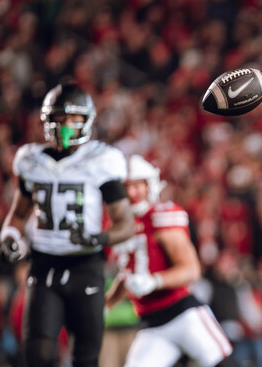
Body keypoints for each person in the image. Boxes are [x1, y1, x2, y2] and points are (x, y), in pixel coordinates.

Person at [0, 82, 135, 367]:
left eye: (74, 119)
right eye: (59, 119)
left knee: (85, 358)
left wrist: (96, 238)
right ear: (47, 121)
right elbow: (19, 212)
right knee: (38, 355)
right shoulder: (31, 160)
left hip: (85, 266)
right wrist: (9, 234)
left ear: (87, 121)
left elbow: (126, 224)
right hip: (44, 264)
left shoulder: (101, 160)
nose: (66, 126)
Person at [105, 155, 232, 367]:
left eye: (137, 185)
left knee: (222, 364)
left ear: (149, 185)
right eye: (126, 186)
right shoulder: (121, 226)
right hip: (150, 323)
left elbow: (191, 270)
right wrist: (106, 304)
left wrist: (155, 281)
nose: (131, 193)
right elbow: (127, 274)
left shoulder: (160, 217)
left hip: (182, 314)